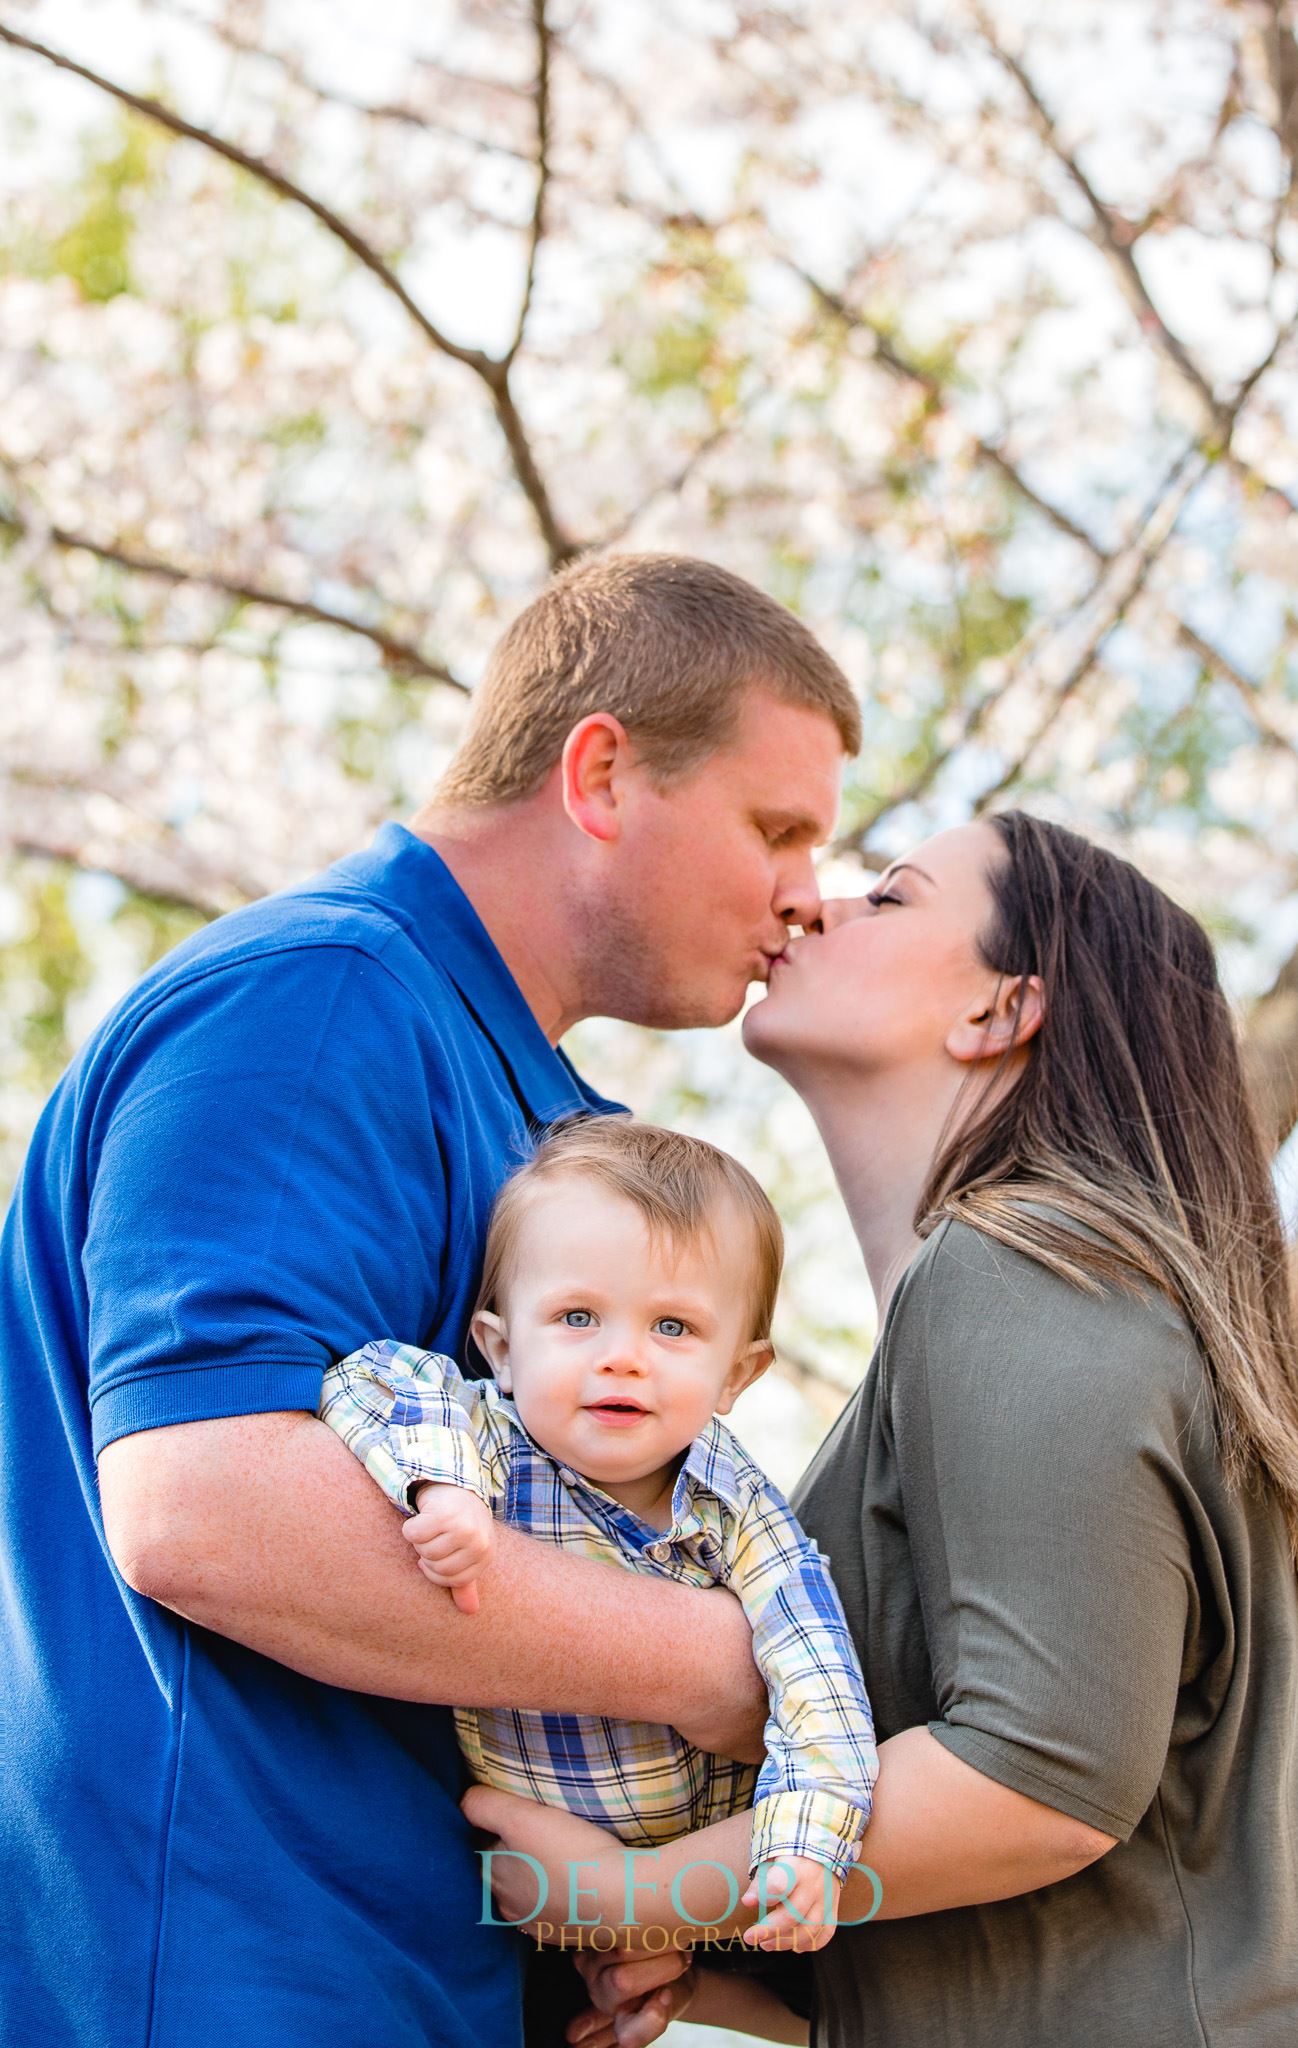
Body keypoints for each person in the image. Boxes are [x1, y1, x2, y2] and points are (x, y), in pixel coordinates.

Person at [0, 551, 860, 2048]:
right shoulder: (321, 999)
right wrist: (721, 1666)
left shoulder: (558, 1125)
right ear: (601, 774)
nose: (807, 894)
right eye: (775, 829)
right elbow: (201, 1505)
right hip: (220, 1980)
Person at [468, 811, 1298, 2048]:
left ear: (999, 1012)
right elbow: (1018, 1910)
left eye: (888, 897)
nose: (813, 907)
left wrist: (630, 1892)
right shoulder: (989, 1312)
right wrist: (713, 1972)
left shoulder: (1024, 1273)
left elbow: (1039, 1779)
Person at [317, 1117, 877, 1960]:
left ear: (737, 1374)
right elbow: (370, 1378)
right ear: (502, 1350)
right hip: (509, 1848)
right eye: (577, 1317)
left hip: (686, 1850)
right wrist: (448, 1489)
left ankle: (652, 1964)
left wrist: (804, 1847)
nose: (622, 1358)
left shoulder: (742, 1513)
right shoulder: (485, 1440)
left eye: (673, 1328)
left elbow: (819, 1682)